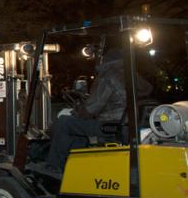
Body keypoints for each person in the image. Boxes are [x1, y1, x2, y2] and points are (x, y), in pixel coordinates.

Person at [41, 47, 151, 176]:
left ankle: (54, 166)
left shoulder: (108, 77)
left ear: (106, 61)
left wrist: (77, 111)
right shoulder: (133, 75)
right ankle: (75, 164)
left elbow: (91, 109)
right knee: (77, 126)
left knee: (64, 122)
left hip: (111, 126)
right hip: (128, 124)